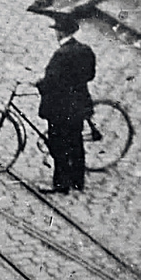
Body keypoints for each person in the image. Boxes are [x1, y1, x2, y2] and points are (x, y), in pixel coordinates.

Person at [35, 14, 97, 193]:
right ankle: (78, 181)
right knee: (75, 142)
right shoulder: (85, 50)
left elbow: (51, 82)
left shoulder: (60, 55)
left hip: (60, 108)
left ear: (60, 33)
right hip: (78, 104)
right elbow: (90, 75)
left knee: (58, 144)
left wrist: (39, 83)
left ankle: (61, 184)